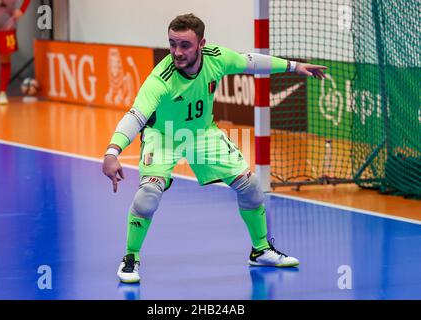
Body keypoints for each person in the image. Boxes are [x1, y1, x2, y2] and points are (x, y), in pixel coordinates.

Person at [102, 13, 327, 283]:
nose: (177, 51)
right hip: (163, 136)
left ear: (201, 44)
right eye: (172, 44)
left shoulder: (216, 58)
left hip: (202, 133)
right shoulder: (161, 79)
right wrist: (112, 152)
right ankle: (131, 257)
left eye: (185, 45)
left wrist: (294, 67)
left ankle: (261, 250)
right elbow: (136, 116)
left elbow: (250, 62)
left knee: (251, 186)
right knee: (148, 195)